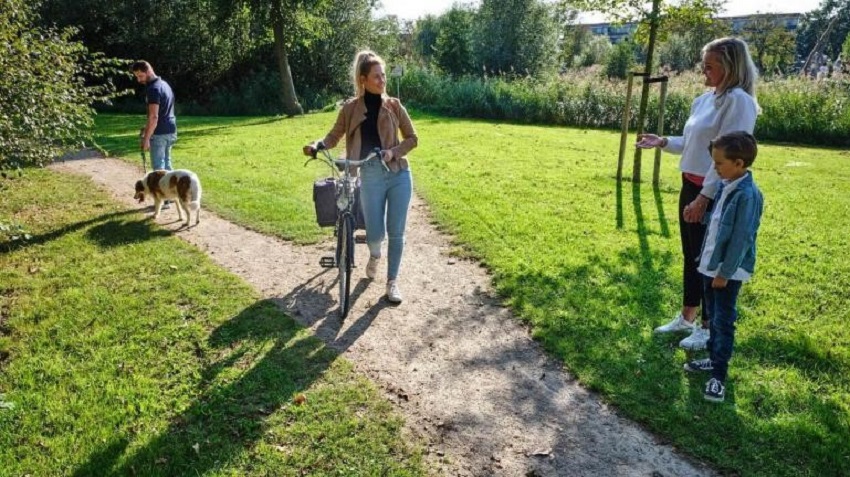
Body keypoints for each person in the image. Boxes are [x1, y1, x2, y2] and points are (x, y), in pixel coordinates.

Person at [636, 37, 759, 350]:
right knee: (691, 256)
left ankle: (707, 327)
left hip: (714, 192)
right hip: (689, 184)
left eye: (710, 66)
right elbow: (692, 144)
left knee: (709, 260)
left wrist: (704, 197)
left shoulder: (738, 101)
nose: (704, 71)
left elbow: (727, 156)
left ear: (730, 67)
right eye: (703, 64)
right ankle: (687, 316)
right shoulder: (704, 100)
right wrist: (663, 142)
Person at [303, 50, 418, 304]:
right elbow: (333, 136)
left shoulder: (394, 106)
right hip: (369, 175)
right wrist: (317, 145)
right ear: (363, 80)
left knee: (396, 232)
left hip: (398, 174)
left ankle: (392, 282)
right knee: (375, 234)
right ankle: (375, 255)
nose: (382, 80)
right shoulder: (350, 109)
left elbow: (412, 138)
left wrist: (393, 152)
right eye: (377, 76)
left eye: (383, 75)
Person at [683, 131, 763, 402]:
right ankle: (713, 357)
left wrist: (724, 273)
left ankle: (719, 375)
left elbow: (741, 239)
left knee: (723, 319)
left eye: (719, 163)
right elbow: (720, 224)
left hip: (725, 272)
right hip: (711, 266)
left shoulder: (748, 195)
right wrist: (703, 218)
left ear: (739, 163)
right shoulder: (725, 185)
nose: (715, 168)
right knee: (714, 316)